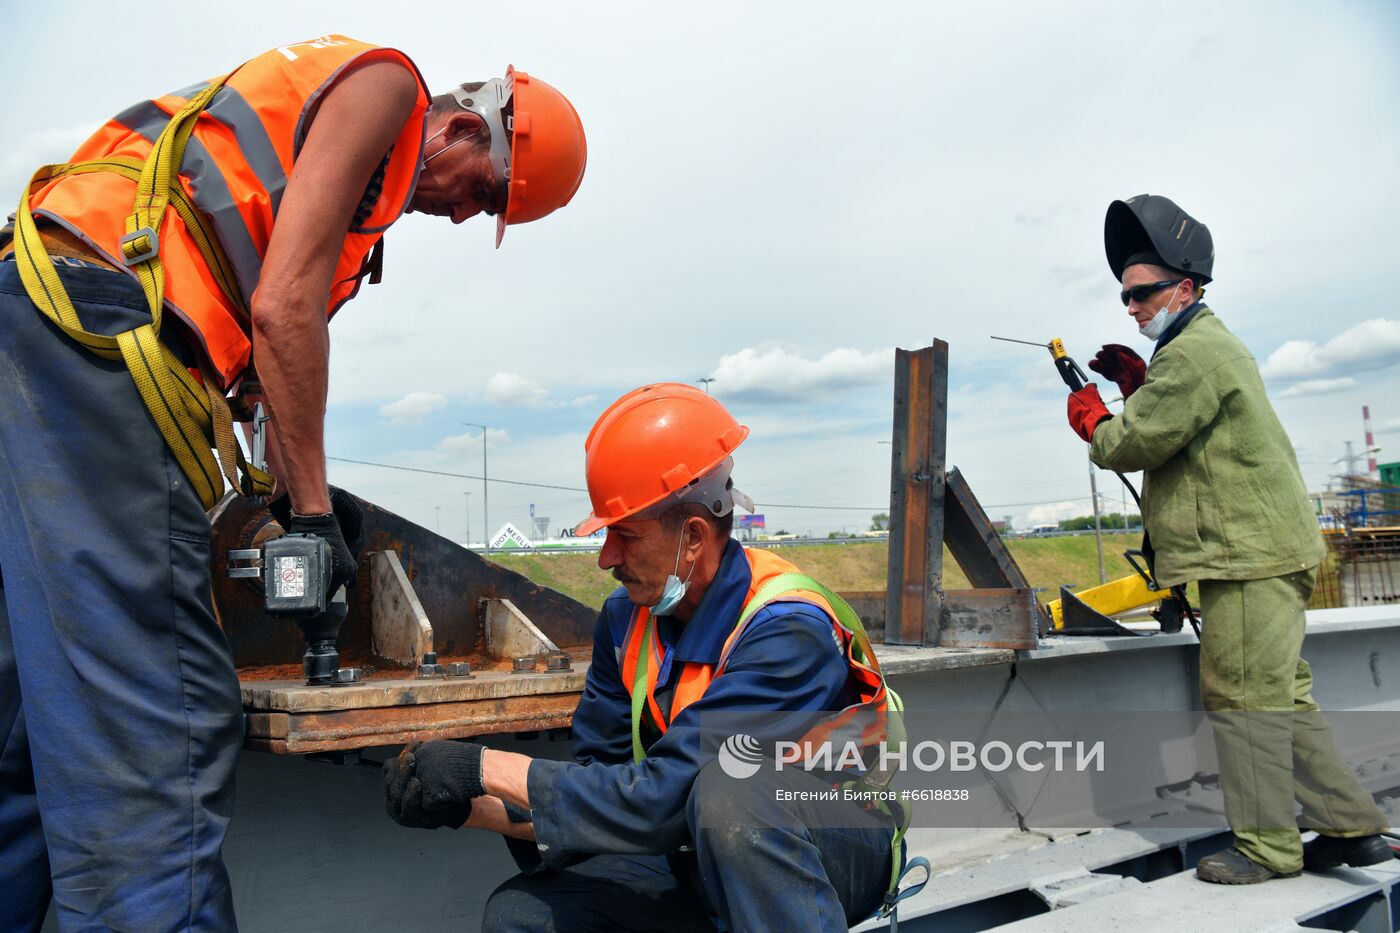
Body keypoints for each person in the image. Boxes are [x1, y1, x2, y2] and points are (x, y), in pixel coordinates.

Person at [0, 34, 585, 930]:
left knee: (31, 715)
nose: (467, 217)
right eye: (481, 192)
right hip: (99, 329)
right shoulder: (386, 89)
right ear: (463, 127)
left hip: (34, 317)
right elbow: (281, 312)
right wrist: (312, 518)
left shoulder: (353, 206)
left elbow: (264, 372)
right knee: (163, 724)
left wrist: (279, 498)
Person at [382, 383, 904, 931]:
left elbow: (666, 796)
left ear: (695, 537)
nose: (607, 557)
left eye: (625, 536)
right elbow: (605, 791)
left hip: (828, 846)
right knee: (524, 918)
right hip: (700, 839)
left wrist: (483, 766)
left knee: (733, 793)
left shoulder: (787, 631)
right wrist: (468, 805)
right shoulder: (627, 618)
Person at [1066, 193, 1392, 884]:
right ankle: (1352, 827)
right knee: (1281, 694)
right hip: (1265, 552)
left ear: (1186, 287)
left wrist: (1096, 418)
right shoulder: (1197, 351)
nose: (1132, 307)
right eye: (1124, 296)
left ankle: (1269, 847)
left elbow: (1137, 441)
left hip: (1248, 560)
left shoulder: (1196, 353)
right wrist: (1139, 383)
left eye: (1144, 293)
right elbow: (1180, 430)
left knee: (1242, 698)